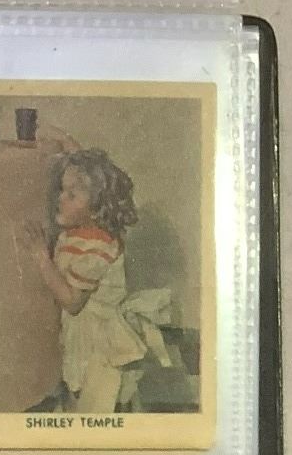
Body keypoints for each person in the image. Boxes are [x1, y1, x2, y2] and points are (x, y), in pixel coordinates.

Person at [14, 146, 173, 414]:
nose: (60, 198)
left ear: (97, 207)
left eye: (71, 195)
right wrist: (65, 141)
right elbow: (92, 176)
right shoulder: (79, 233)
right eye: (62, 190)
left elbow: (72, 302)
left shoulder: (97, 246)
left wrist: (42, 258)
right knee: (82, 393)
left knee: (94, 399)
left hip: (98, 338)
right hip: (81, 331)